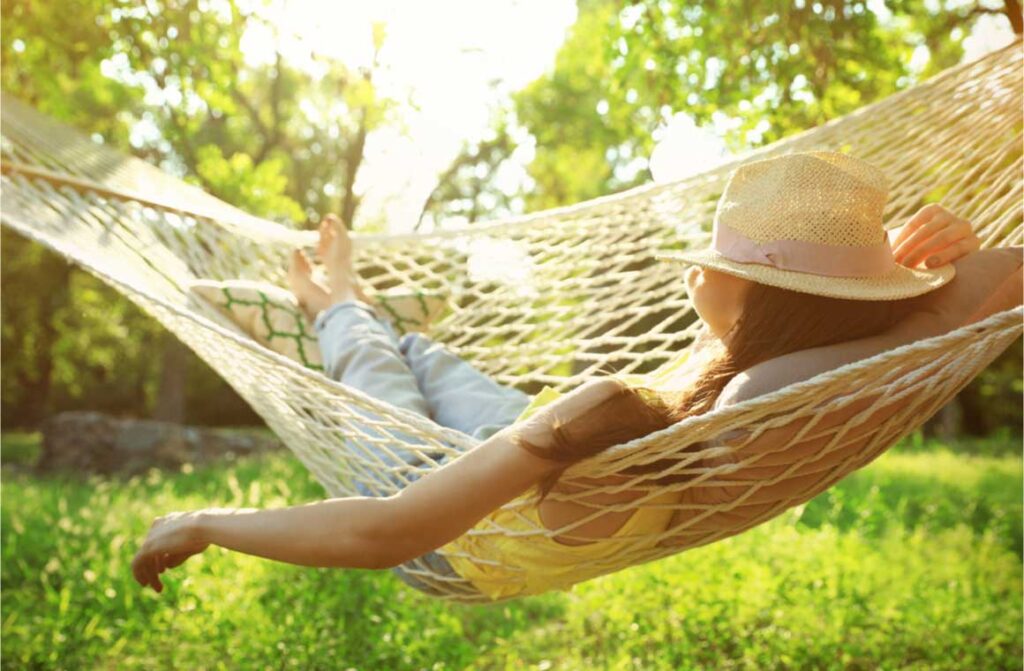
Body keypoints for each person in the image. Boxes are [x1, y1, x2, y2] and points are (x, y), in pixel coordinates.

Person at [131, 151, 1023, 600]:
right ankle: (382, 320)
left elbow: (383, 534)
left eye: (713, 257)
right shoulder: (799, 370)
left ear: (762, 298)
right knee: (433, 357)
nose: (697, 268)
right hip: (543, 437)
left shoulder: (715, 407)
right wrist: (909, 287)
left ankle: (337, 307)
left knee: (373, 365)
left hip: (443, 494)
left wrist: (205, 517)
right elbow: (968, 299)